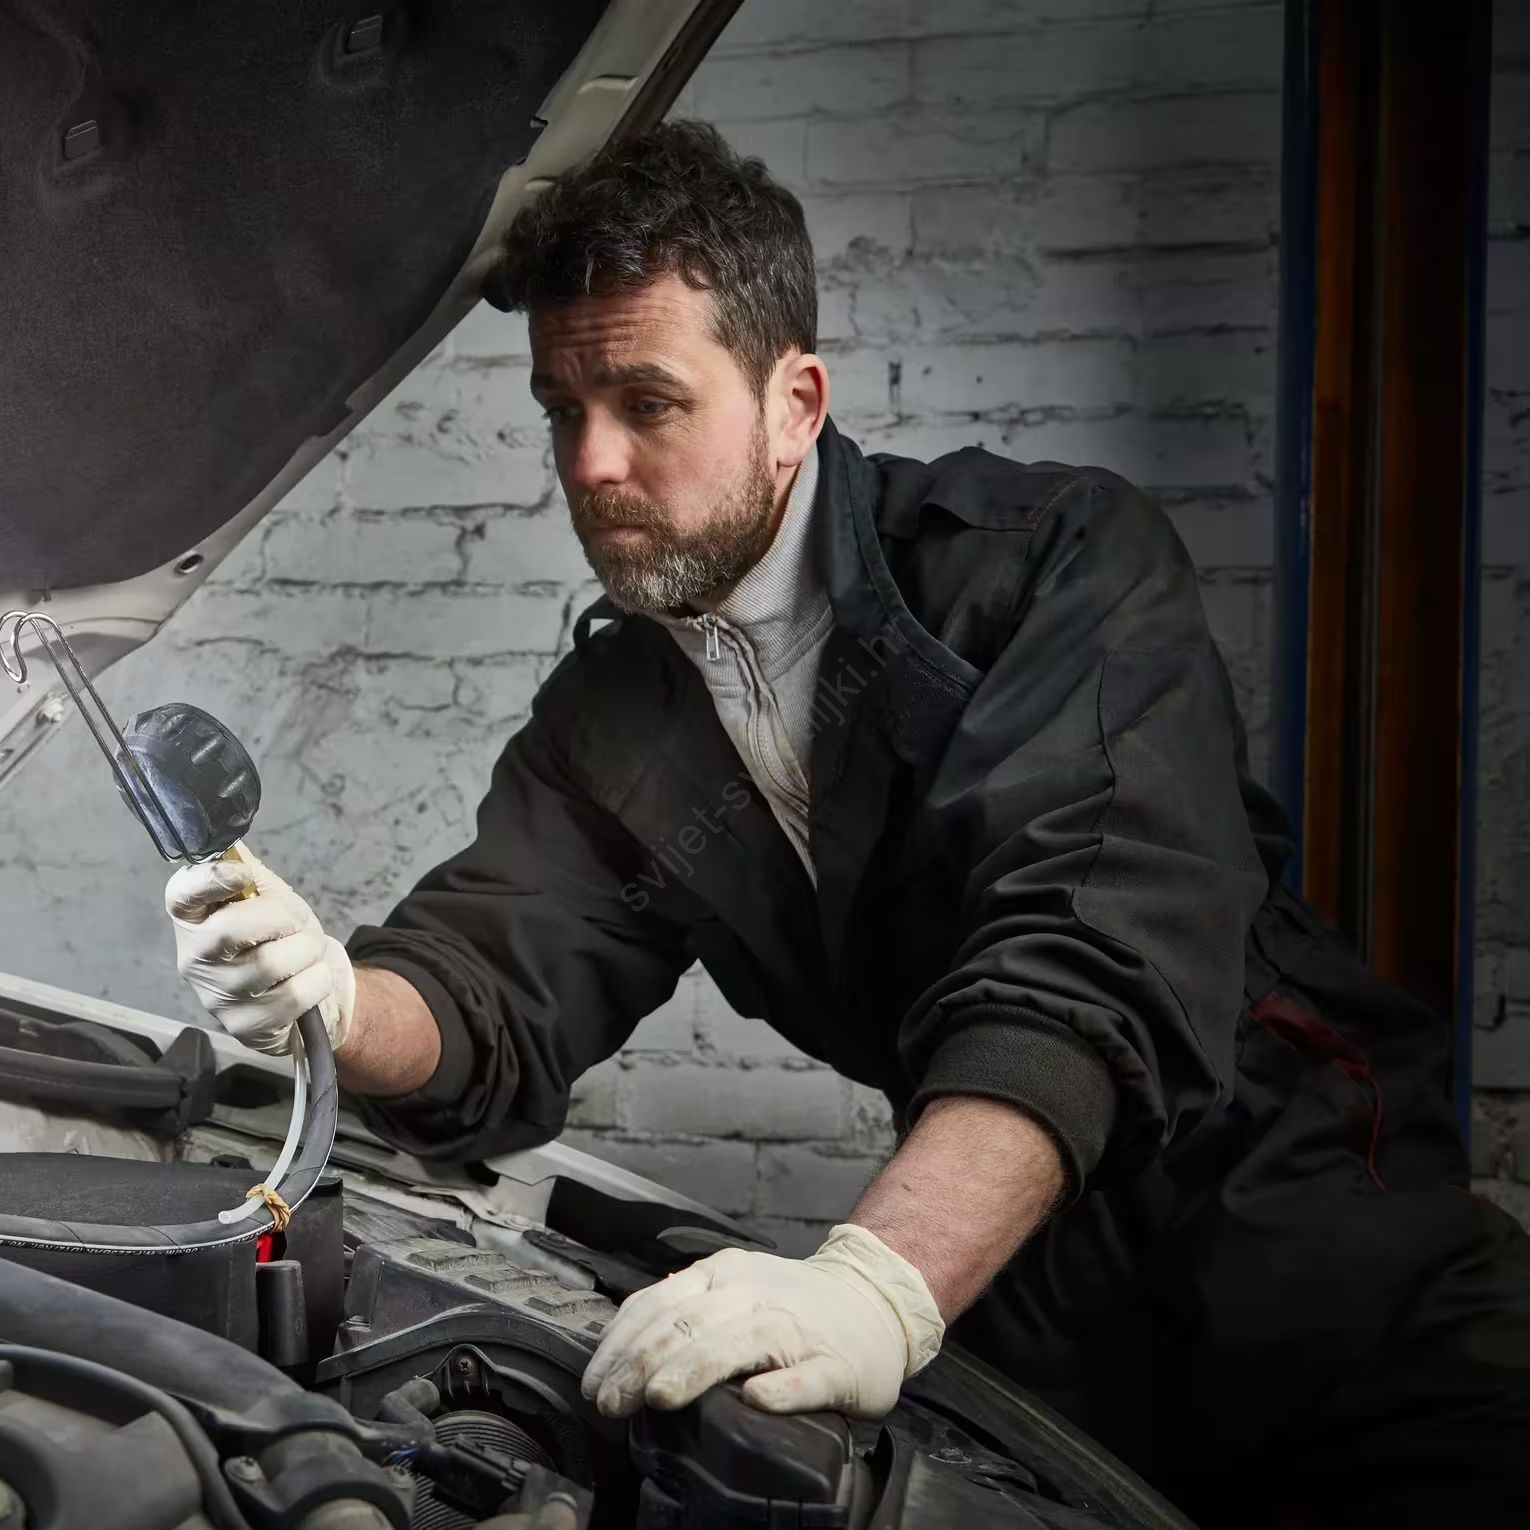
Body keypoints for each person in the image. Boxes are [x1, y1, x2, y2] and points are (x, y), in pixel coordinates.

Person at [163, 122, 1530, 1527]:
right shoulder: (615, 714)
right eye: (561, 409)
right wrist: (334, 999)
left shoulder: (1050, 568)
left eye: (647, 401)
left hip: (1324, 1256)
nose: (592, 462)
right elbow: (487, 990)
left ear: (794, 402)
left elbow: (1087, 960)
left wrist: (877, 1283)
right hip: (1025, 1316)